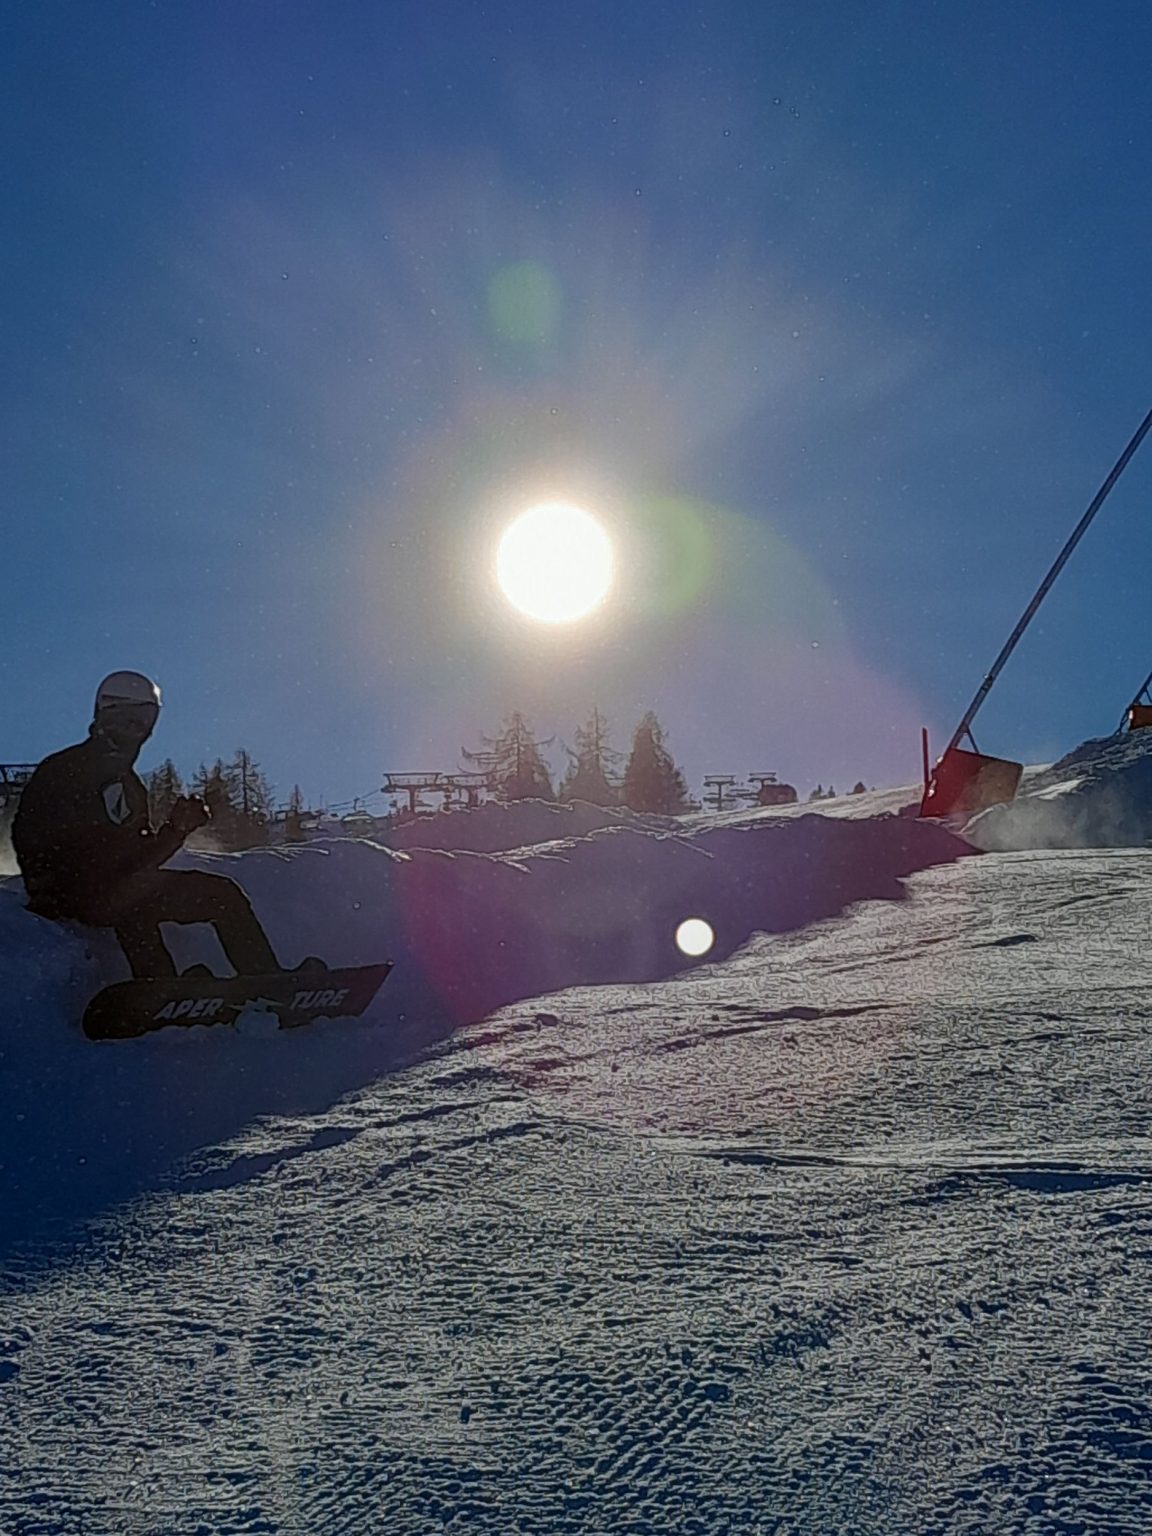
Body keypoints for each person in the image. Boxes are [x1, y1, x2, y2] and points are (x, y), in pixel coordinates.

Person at [13, 671, 282, 980]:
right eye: (128, 719)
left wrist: (177, 829)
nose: (136, 730)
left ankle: (266, 979)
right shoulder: (66, 769)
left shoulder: (131, 788)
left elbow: (139, 859)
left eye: (145, 721)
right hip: (72, 892)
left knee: (220, 894)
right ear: (104, 716)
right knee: (131, 896)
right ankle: (158, 984)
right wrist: (46, 893)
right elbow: (34, 836)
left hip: (112, 888)